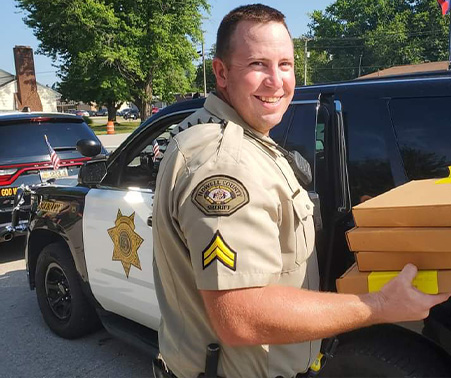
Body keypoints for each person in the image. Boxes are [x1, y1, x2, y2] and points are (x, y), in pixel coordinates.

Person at [152, 4, 451, 378]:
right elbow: (241, 317)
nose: (276, 81)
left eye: (285, 64)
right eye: (258, 64)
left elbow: (274, 234)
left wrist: (372, 219)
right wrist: (378, 305)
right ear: (222, 72)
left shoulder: (243, 139)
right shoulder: (225, 164)